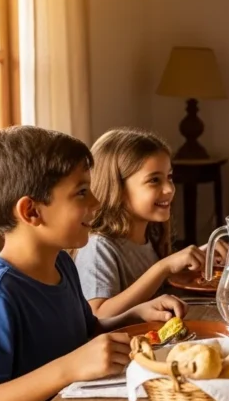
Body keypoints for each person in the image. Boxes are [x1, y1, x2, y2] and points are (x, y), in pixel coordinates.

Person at [0, 126, 187, 401]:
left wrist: (133, 315)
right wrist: (67, 369)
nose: (97, 202)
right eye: (81, 192)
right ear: (31, 212)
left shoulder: (60, 263)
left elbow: (83, 335)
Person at [74, 128, 217, 318]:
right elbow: (98, 314)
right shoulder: (98, 246)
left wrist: (198, 257)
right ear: (117, 188)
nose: (169, 189)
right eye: (154, 180)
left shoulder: (152, 235)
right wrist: (162, 267)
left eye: (169, 177)